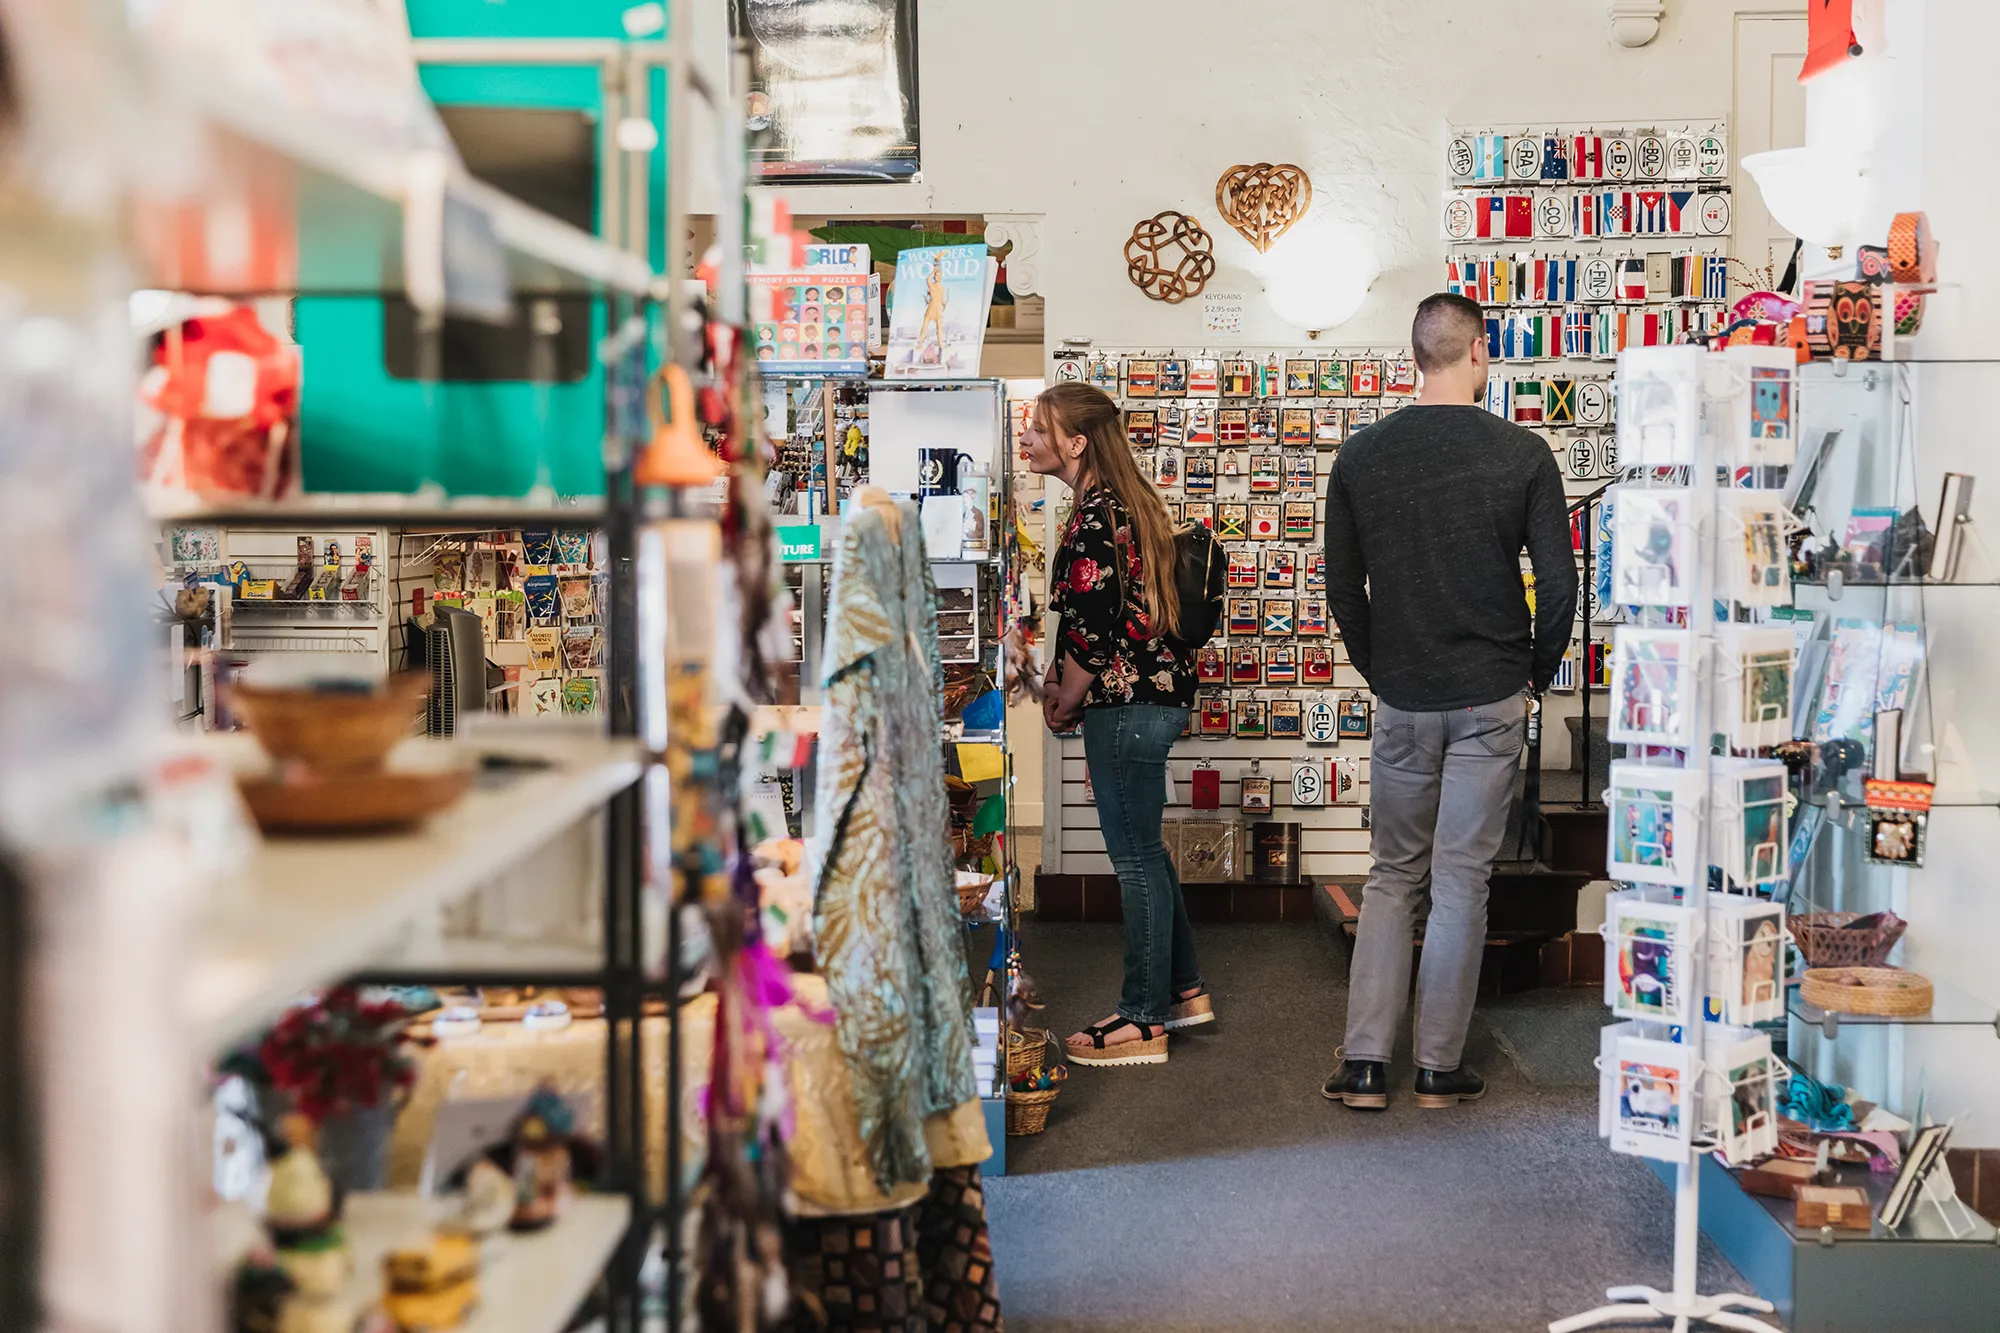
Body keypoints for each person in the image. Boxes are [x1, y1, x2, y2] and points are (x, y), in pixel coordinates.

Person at [1320, 293, 1577, 1110]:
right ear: (1479, 354)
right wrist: (1534, 670)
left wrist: (1380, 667)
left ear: (1416, 356)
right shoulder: (1524, 453)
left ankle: (1364, 1063)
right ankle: (1437, 1067)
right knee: (1463, 879)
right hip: (1492, 694)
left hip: (1404, 694)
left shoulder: (1361, 457)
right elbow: (1561, 586)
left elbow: (1342, 588)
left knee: (1393, 875)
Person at [1024, 382, 1212, 1066]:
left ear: (1076, 443)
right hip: (1153, 702)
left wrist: (1062, 697)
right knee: (1147, 851)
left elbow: (1092, 631)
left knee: (1132, 858)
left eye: (1038, 430)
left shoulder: (1096, 516)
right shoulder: (1128, 505)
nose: (1027, 440)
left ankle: (1141, 1019)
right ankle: (1185, 989)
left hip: (1127, 709)